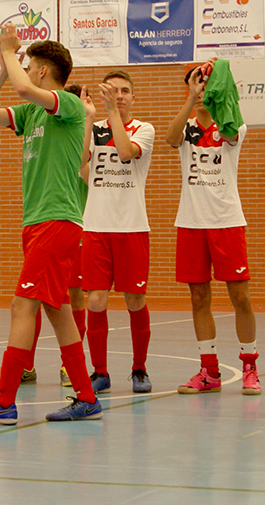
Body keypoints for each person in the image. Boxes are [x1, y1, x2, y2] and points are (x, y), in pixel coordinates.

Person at [0, 23, 100, 424]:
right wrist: (3, 69)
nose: (27, 69)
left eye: (29, 64)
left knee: (23, 305)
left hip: (57, 220)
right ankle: (86, 396)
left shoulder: (67, 106)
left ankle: (4, 400)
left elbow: (24, 90)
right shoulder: (32, 111)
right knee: (57, 311)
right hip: (38, 222)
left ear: (41, 70)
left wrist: (7, 50)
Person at [166, 59, 260, 396]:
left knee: (241, 297)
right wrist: (192, 98)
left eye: (208, 82)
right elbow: (170, 137)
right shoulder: (187, 126)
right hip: (191, 222)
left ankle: (251, 366)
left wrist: (220, 91)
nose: (204, 87)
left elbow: (232, 131)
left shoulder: (231, 126)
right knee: (198, 297)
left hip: (227, 222)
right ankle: (209, 371)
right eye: (198, 81)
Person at [80, 71, 155, 394]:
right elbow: (80, 162)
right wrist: (87, 120)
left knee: (134, 299)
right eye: (113, 91)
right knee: (95, 300)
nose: (119, 96)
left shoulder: (144, 129)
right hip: (96, 226)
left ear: (133, 97)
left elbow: (125, 152)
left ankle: (139, 368)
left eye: (125, 91)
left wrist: (111, 114)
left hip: (131, 227)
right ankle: (100, 372)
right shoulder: (94, 128)